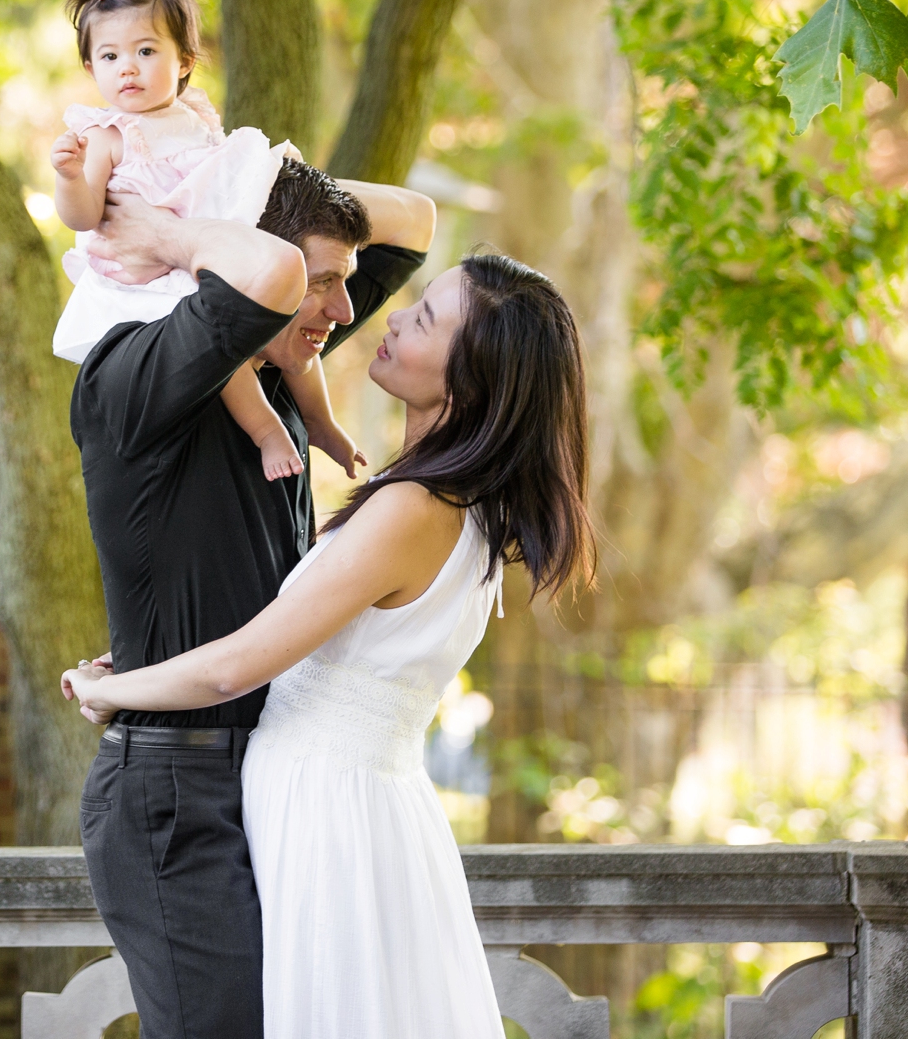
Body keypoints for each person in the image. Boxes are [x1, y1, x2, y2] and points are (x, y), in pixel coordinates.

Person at [64, 254, 595, 1038]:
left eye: (425, 320)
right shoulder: (467, 509)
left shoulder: (409, 508)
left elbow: (237, 664)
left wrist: (108, 690)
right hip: (371, 806)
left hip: (325, 812)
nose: (390, 317)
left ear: (470, 381)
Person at [68, 152, 437, 1039]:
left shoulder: (269, 375)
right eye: (324, 283)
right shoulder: (133, 377)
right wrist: (170, 230)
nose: (344, 311)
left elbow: (413, 218)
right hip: (177, 793)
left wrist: (226, 172)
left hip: (272, 776)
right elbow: (270, 274)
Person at [51, 0, 364, 481]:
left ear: (185, 61)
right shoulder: (106, 135)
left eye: (146, 52)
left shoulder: (193, 116)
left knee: (293, 316)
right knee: (220, 334)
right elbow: (83, 215)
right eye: (110, 57)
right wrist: (68, 177)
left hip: (208, 244)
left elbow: (217, 179)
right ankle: (267, 432)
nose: (127, 68)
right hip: (153, 274)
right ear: (91, 67)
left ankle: (321, 418)